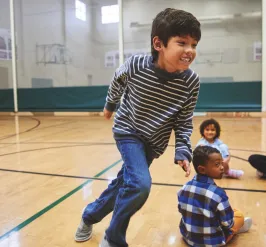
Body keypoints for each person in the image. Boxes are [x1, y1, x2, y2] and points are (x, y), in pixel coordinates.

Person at [75, 8, 201, 247]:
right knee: (140, 185)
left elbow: (184, 119)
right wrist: (111, 104)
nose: (189, 51)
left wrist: (183, 150)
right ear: (158, 43)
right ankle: (114, 238)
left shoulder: (190, 82)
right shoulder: (136, 66)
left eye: (194, 44)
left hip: (153, 142)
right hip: (128, 131)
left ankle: (89, 216)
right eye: (182, 42)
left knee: (125, 183)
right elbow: (117, 80)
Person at [178, 146, 252, 247]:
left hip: (188, 238)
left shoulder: (184, 187)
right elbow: (228, 224)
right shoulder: (218, 194)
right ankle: (236, 231)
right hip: (212, 242)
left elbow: (181, 210)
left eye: (222, 163)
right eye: (217, 164)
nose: (222, 167)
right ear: (202, 169)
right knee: (238, 215)